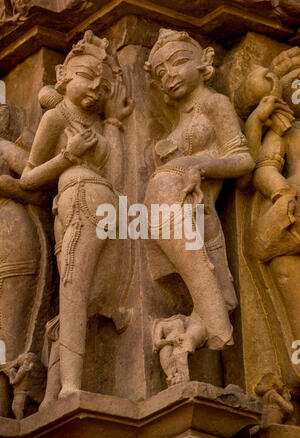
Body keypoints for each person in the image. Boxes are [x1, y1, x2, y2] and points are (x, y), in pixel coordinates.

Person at [20, 30, 133, 399]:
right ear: (62, 76)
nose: (94, 89)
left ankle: (54, 391)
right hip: (77, 201)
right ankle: (71, 387)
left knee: (95, 293)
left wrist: (114, 122)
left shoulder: (99, 123)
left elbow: (117, 173)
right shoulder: (56, 118)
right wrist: (67, 156)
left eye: (103, 86)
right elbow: (29, 178)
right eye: (86, 76)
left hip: (110, 209)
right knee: (73, 289)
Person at [144, 29, 255, 351]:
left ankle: (187, 337)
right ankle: (192, 337)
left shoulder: (214, 103)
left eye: (178, 63)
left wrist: (199, 166)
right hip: (169, 206)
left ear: (204, 61)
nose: (169, 76)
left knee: (220, 296)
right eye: (160, 72)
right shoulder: (177, 121)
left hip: (197, 207)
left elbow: (242, 159)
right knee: (207, 291)